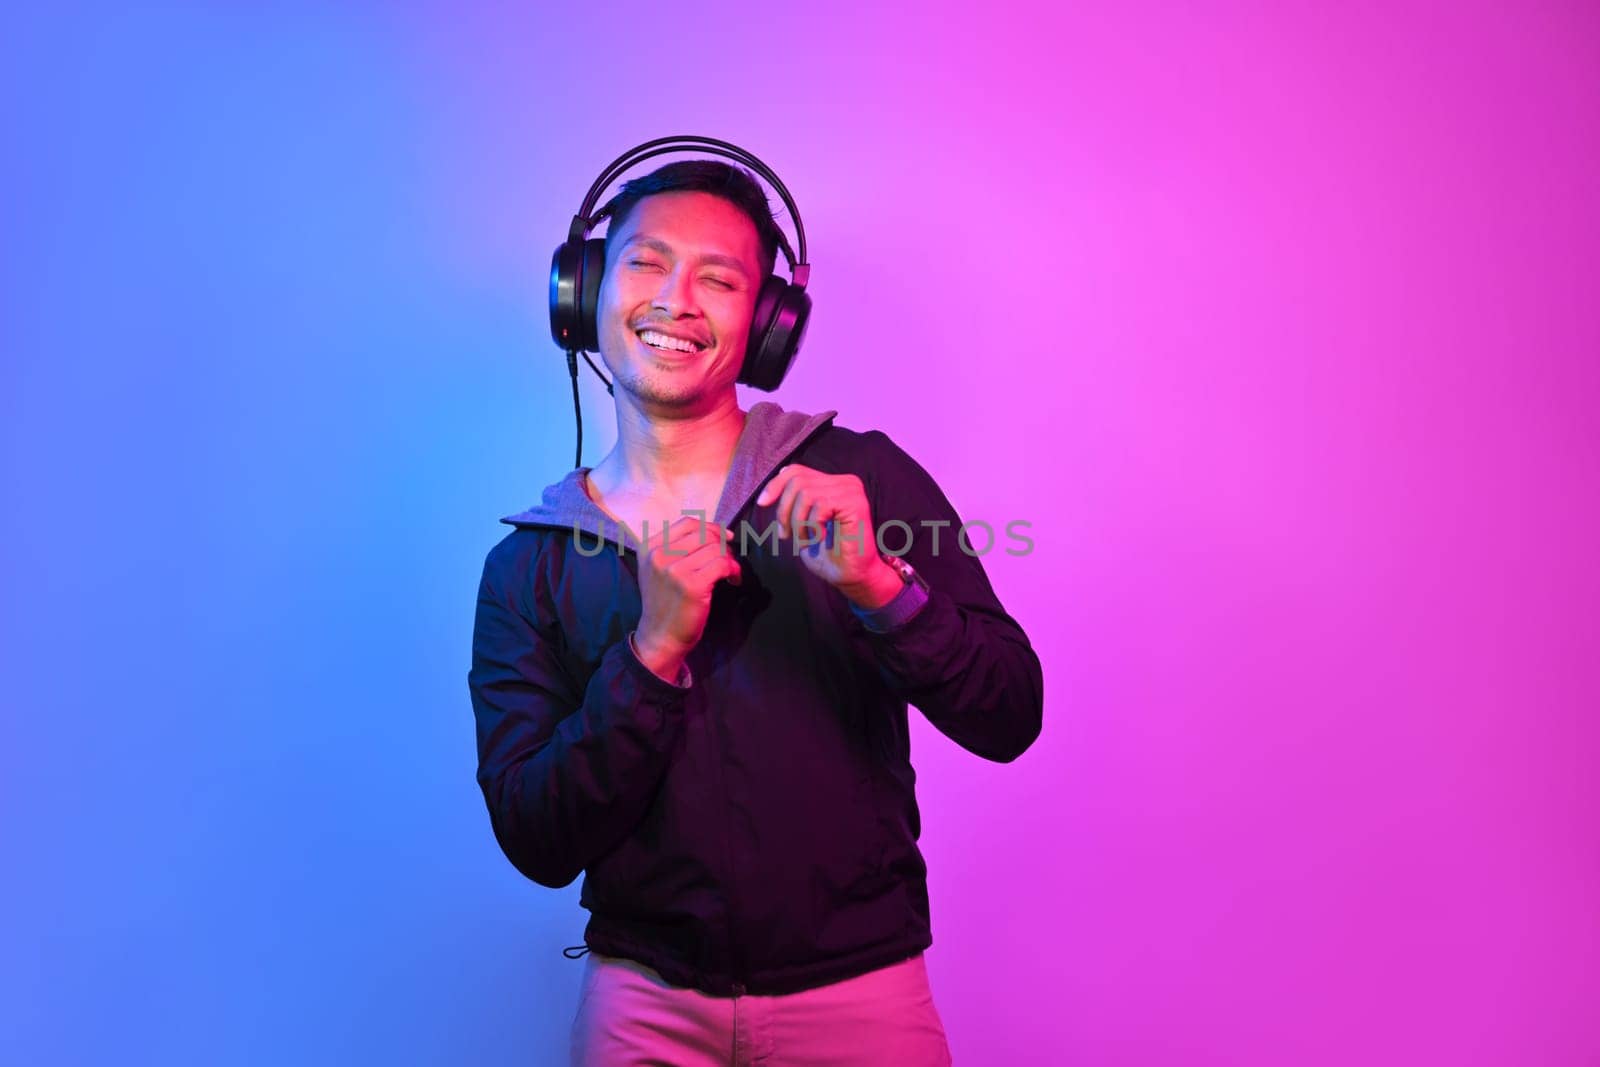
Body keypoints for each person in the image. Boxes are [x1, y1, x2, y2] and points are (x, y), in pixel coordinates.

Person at [468, 157, 1044, 1066]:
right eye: (647, 264)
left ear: (768, 323)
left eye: (721, 279)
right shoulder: (528, 566)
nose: (678, 301)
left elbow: (1011, 712)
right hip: (641, 1009)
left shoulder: (864, 479)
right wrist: (652, 651)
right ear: (585, 289)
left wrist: (879, 589)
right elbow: (537, 837)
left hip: (862, 997)